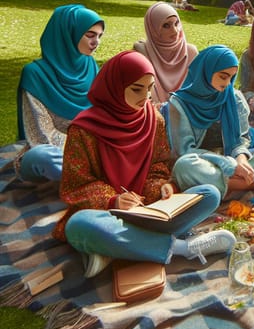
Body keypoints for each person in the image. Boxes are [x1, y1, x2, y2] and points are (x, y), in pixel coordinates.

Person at [54, 51, 234, 278]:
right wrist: (114, 199)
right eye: (137, 89)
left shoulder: (154, 119)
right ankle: (181, 248)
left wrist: (161, 187)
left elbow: (157, 166)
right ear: (115, 89)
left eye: (150, 88)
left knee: (209, 194)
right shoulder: (83, 130)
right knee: (78, 225)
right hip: (104, 214)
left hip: (148, 209)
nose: (146, 96)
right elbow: (75, 185)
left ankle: (119, 247)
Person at [166, 46, 254, 198]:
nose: (227, 83)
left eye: (232, 77)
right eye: (223, 76)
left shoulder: (234, 97)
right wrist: (228, 165)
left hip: (231, 159)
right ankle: (248, 184)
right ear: (206, 71)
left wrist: (241, 160)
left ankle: (222, 186)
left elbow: (241, 141)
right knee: (183, 166)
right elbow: (184, 151)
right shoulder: (179, 103)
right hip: (203, 162)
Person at [17, 4, 105, 183]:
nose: (96, 42)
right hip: (54, 152)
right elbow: (41, 135)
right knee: (44, 158)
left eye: (99, 36)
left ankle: (87, 182)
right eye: (90, 35)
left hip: (90, 150)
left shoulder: (91, 68)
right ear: (67, 33)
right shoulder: (35, 74)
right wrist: (88, 149)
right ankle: (91, 182)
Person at [133, 2, 198, 108]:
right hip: (151, 113)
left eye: (176, 23)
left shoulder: (191, 52)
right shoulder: (142, 53)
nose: (175, 30)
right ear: (153, 29)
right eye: (166, 25)